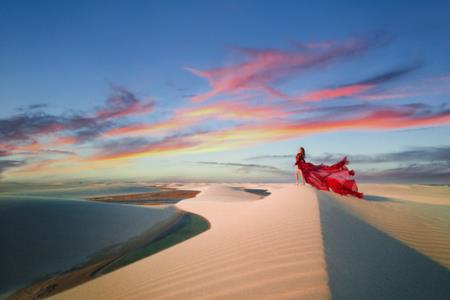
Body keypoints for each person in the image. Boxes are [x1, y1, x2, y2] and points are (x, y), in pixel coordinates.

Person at [294, 147, 363, 199]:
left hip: (302, 166)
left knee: (311, 173)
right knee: (315, 172)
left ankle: (300, 183)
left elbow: (298, 160)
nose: (299, 150)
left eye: (300, 149)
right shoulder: (301, 155)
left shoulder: (299, 154)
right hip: (303, 165)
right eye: (299, 149)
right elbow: (300, 160)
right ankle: (301, 183)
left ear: (301, 150)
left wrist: (296, 163)